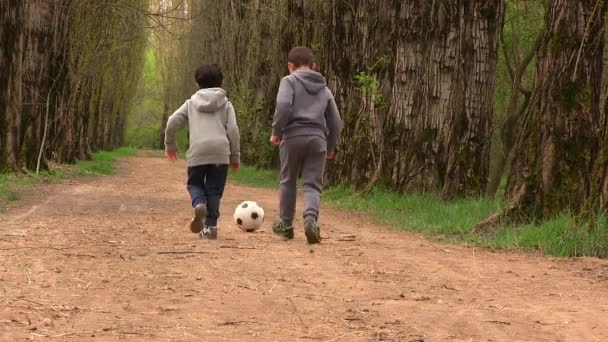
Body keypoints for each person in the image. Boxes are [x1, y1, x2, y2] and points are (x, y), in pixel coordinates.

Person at [270, 46, 342, 244]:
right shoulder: (324, 88)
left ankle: (286, 225)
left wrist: (277, 132)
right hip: (318, 138)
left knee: (288, 180)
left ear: (290, 66)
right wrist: (331, 145)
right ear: (313, 66)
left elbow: (283, 105)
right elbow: (335, 120)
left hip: (292, 136)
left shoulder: (289, 81)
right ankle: (311, 220)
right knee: (312, 184)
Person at [165, 64, 240, 240]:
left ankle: (199, 203)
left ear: (197, 83)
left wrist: (170, 145)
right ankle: (211, 227)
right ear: (221, 83)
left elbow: (172, 121)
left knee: (194, 184)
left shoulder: (191, 103)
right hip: (220, 153)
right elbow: (233, 130)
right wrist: (235, 156)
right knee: (214, 190)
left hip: (198, 151)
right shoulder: (226, 104)